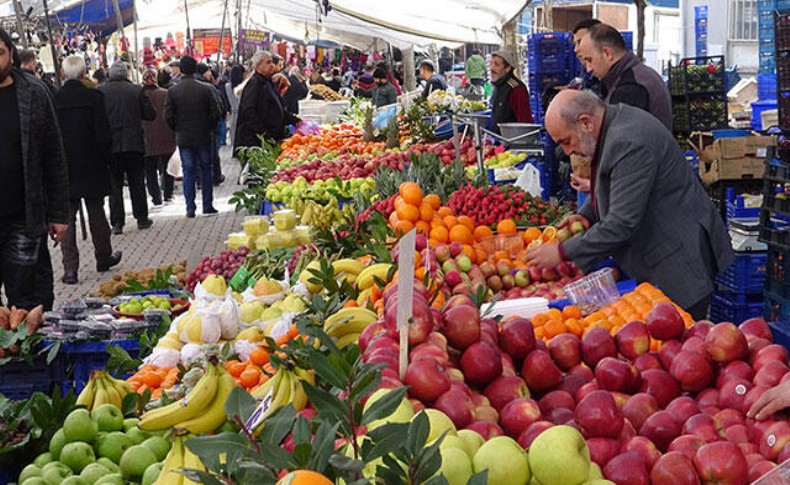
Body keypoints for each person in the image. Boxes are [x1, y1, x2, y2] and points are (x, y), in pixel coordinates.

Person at [524, 90, 733, 320]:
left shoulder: (628, 141)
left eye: (566, 141)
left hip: (676, 263)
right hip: (659, 254)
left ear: (585, 123)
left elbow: (622, 223)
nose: (567, 151)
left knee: (678, 338)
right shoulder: (612, 126)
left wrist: (562, 251)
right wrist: (587, 216)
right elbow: (618, 186)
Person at [0, 28, 69, 309]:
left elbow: (54, 156)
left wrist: (59, 213)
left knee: (26, 301)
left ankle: (26, 353)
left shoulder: (33, 93)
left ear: (11, 54)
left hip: (23, 218)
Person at [54, 55, 122, 285]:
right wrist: (108, 160)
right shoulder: (94, 97)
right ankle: (103, 257)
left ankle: (70, 269)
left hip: (65, 167)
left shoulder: (56, 99)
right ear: (84, 74)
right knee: (97, 213)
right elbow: (104, 134)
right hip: (92, 163)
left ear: (63, 74)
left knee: (67, 218)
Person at [576, 23, 672, 130]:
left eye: (589, 60)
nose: (589, 69)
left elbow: (622, 140)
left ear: (607, 53)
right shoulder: (638, 74)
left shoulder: (630, 87)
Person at [98, 61, 156, 234]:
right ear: (126, 74)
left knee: (114, 185)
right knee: (137, 181)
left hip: (111, 145)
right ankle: (142, 218)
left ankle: (117, 223)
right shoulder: (137, 90)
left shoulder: (101, 91)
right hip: (134, 143)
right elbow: (150, 114)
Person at [164, 55, 221, 218]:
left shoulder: (173, 91)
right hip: (203, 135)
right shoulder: (206, 89)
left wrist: (177, 129)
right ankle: (207, 205)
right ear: (195, 69)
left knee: (188, 171)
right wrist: (210, 127)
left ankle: (190, 208)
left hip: (184, 137)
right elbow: (216, 112)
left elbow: (167, 115)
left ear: (180, 70)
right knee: (206, 169)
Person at [234, 50, 299, 152]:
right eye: (268, 62)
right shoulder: (254, 84)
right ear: (258, 65)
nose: (272, 65)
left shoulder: (268, 82)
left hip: (270, 138)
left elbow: (278, 108)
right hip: (256, 142)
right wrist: (263, 132)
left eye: (272, 62)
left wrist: (296, 120)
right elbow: (248, 111)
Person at [141, 69, 176, 206]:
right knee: (168, 167)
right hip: (165, 135)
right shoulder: (166, 94)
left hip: (146, 138)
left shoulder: (139, 94)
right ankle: (168, 194)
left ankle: (156, 197)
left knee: (150, 170)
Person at [196, 63, 226, 186]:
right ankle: (213, 178)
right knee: (210, 156)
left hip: (187, 132)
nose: (210, 73)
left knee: (194, 158)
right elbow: (218, 109)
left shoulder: (178, 88)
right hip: (208, 129)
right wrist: (215, 123)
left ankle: (199, 180)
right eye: (208, 71)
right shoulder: (209, 87)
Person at [489, 50, 533, 134]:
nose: (492, 68)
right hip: (496, 143)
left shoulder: (517, 89)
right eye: (491, 64)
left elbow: (525, 123)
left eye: (496, 65)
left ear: (507, 68)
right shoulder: (498, 86)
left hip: (511, 143)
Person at [226, 64, 245, 148]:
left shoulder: (227, 86)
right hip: (243, 114)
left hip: (233, 115)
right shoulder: (244, 86)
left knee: (234, 141)